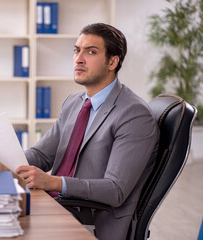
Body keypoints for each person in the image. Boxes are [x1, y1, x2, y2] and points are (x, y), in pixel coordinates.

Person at [16, 23, 159, 240]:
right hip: (59, 206)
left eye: (90, 52)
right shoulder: (74, 102)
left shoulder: (133, 114)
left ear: (112, 61)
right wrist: (5, 159)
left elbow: (115, 190)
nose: (78, 59)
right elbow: (42, 155)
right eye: (77, 50)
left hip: (92, 223)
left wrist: (53, 182)